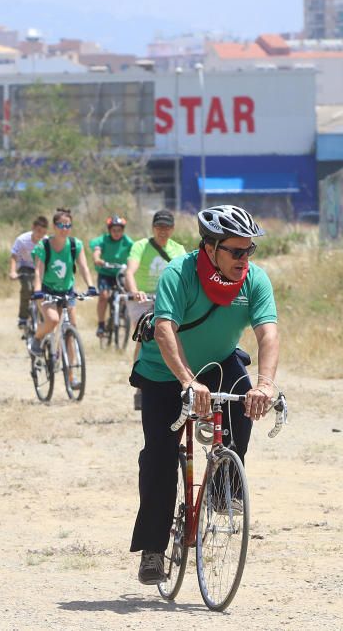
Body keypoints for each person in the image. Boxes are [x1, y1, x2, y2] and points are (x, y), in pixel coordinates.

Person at [130, 205, 279, 585]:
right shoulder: (179, 273)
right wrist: (186, 381)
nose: (245, 259)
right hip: (165, 371)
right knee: (161, 456)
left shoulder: (255, 280)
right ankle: (152, 548)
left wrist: (266, 384)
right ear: (210, 248)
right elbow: (164, 328)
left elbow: (267, 333)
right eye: (236, 251)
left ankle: (221, 489)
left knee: (244, 398)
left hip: (217, 361)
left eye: (250, 251)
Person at [125, 209, 187, 410]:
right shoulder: (140, 246)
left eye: (167, 227)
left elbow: (187, 276)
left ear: (173, 228)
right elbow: (130, 272)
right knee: (145, 335)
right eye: (159, 226)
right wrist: (135, 292)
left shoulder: (179, 249)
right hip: (143, 298)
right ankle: (141, 384)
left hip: (168, 299)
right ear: (153, 227)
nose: (163, 231)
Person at [28, 209, 97, 387]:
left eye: (68, 225)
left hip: (67, 292)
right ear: (54, 226)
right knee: (52, 320)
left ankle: (72, 377)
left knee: (70, 332)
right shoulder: (44, 246)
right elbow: (38, 271)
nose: (64, 229)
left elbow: (83, 267)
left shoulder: (75, 245)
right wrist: (37, 290)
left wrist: (90, 286)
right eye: (61, 225)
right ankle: (36, 339)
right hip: (46, 291)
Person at [91, 215, 134, 337]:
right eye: (114, 230)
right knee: (104, 296)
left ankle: (123, 311)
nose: (116, 233)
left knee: (128, 290)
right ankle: (101, 325)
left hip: (120, 273)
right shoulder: (103, 240)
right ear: (109, 230)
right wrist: (97, 259)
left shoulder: (128, 242)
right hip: (105, 273)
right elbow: (97, 251)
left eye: (119, 230)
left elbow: (135, 254)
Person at [9, 216, 49, 328]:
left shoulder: (46, 241)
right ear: (33, 228)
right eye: (38, 231)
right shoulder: (22, 240)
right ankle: (23, 317)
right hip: (25, 267)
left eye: (43, 232)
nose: (40, 235)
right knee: (27, 288)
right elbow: (14, 256)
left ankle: (43, 317)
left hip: (40, 268)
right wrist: (12, 271)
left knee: (43, 292)